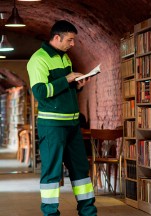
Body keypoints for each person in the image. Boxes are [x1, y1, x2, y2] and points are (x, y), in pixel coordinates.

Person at [27, 20, 97, 216]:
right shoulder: (38, 59)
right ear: (56, 38)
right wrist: (66, 79)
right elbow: (41, 92)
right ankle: (50, 213)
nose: (73, 44)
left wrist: (77, 85)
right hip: (52, 125)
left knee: (81, 171)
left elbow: (64, 88)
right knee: (52, 172)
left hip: (72, 123)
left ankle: (88, 212)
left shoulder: (65, 58)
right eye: (70, 40)